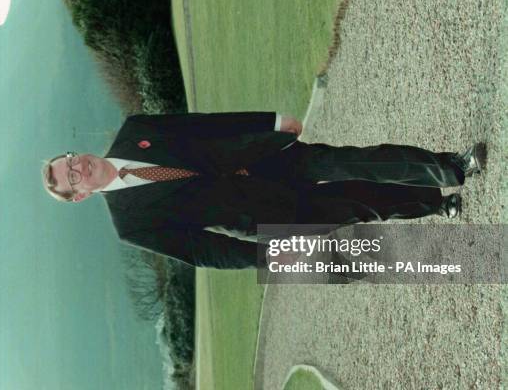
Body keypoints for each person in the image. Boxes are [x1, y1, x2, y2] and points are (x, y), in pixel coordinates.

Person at [41, 111, 486, 269]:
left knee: (349, 159)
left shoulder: (134, 129)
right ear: (79, 196)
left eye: (71, 159)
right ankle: (435, 202)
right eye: (72, 177)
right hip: (262, 217)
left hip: (264, 158)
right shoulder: (130, 224)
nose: (78, 166)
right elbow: (201, 251)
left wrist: (270, 123)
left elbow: (206, 124)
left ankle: (450, 167)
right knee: (360, 206)